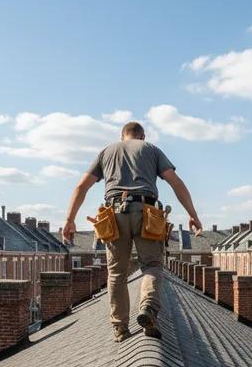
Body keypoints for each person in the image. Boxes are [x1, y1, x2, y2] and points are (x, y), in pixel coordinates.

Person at [62, 120, 202, 341]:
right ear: (142, 137)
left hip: (114, 214)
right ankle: (147, 307)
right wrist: (193, 214)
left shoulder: (106, 152)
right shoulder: (151, 150)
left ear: (122, 136)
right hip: (147, 213)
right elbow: (175, 182)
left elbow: (81, 186)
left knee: (117, 273)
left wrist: (69, 219)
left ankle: (120, 328)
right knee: (152, 265)